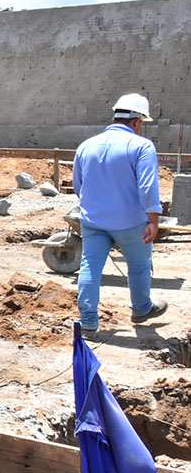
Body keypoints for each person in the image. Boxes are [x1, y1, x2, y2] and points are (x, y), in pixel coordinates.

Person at [73, 92, 167, 334]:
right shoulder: (142, 146)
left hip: (93, 221)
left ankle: (89, 320)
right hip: (131, 222)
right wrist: (154, 220)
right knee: (138, 265)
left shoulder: (86, 146)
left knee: (90, 266)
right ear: (137, 122)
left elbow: (78, 186)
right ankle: (141, 308)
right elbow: (148, 186)